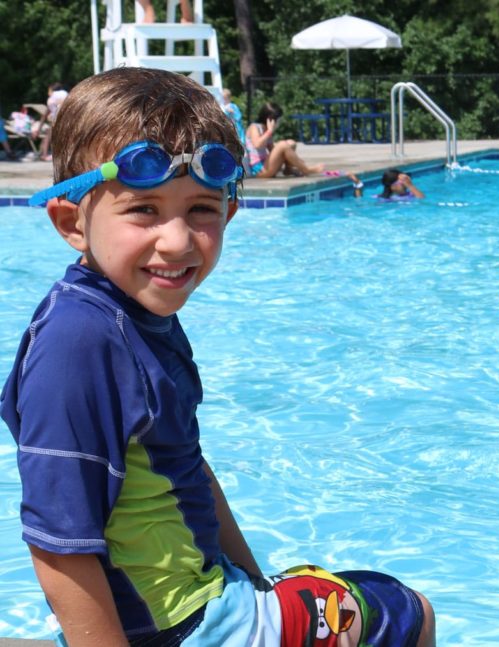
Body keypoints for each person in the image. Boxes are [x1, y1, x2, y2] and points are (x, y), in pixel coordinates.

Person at [0, 66, 435, 647]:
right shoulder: (79, 342)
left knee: (319, 586)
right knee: (405, 611)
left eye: (201, 209)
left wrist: (253, 582)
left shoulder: (132, 313)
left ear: (230, 214)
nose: (177, 240)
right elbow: (57, 544)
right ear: (70, 223)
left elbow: (188, 469)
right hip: (184, 626)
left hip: (202, 600)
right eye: (144, 210)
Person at [245, 101, 325, 178]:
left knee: (291, 143)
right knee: (282, 144)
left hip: (266, 165)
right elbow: (257, 144)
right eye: (278, 119)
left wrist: (295, 160)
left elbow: (272, 150)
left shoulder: (266, 130)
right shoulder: (254, 127)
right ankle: (306, 170)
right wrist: (269, 131)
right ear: (271, 120)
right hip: (258, 171)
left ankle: (288, 169)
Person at [31, 82, 67, 161]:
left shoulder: (52, 99)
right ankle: (42, 154)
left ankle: (44, 155)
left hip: (56, 120)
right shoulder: (64, 95)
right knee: (49, 136)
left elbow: (44, 116)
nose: (48, 93)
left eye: (49, 91)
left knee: (48, 137)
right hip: (65, 120)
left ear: (53, 91)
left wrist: (38, 129)